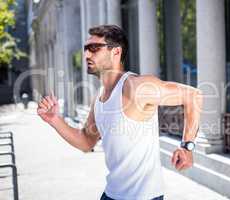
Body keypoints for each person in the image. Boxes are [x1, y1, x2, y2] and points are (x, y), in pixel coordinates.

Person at [37, 25, 202, 200]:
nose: (86, 55)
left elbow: (193, 96)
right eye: (86, 49)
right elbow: (86, 141)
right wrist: (54, 119)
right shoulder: (99, 98)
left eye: (94, 49)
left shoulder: (136, 87)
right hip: (111, 194)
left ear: (116, 52)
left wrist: (187, 147)